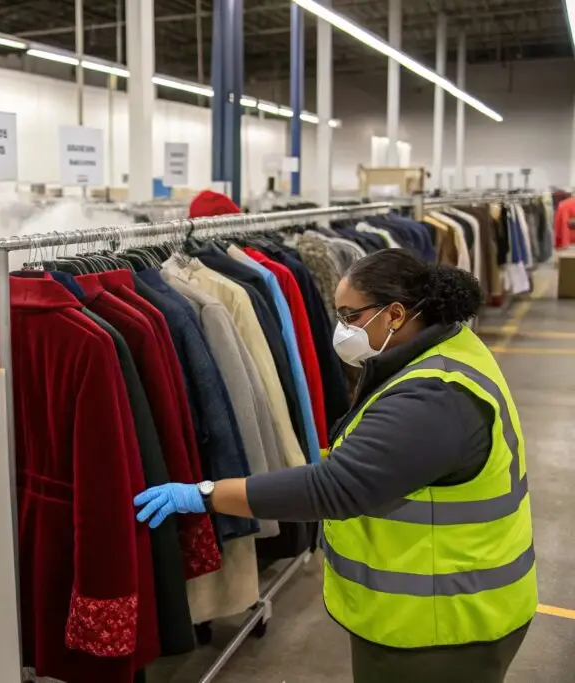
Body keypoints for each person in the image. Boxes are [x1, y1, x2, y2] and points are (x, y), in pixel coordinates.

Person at [134, 249, 536, 683]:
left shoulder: (433, 395)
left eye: (350, 316)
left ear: (396, 314)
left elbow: (333, 489)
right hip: (446, 604)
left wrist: (205, 494)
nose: (342, 329)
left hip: (440, 625)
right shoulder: (444, 350)